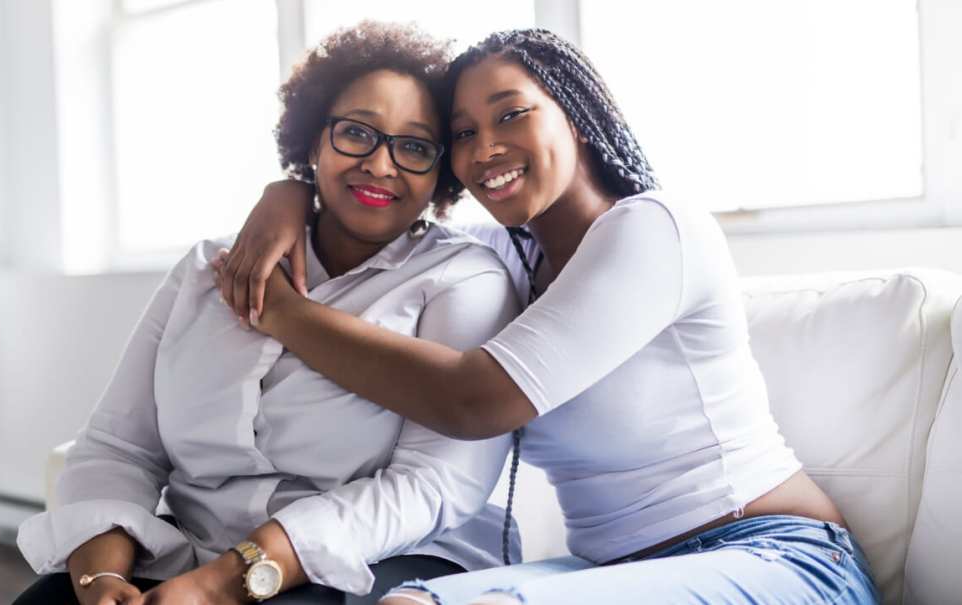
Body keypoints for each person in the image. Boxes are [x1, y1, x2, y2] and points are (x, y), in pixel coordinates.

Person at [212, 29, 880, 604]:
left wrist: (278, 311)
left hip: (778, 558)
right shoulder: (504, 257)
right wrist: (292, 190)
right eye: (464, 134)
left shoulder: (656, 229)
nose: (485, 149)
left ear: (578, 115)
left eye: (510, 116)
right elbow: (386, 221)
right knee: (404, 598)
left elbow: (473, 400)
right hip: (618, 569)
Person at [13, 22, 524, 605]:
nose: (381, 166)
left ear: (441, 172)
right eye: (356, 132)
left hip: (374, 558)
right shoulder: (208, 268)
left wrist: (222, 585)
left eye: (413, 146)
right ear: (312, 142)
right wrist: (100, 581)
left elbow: (430, 486)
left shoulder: (463, 280)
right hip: (196, 549)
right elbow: (120, 446)